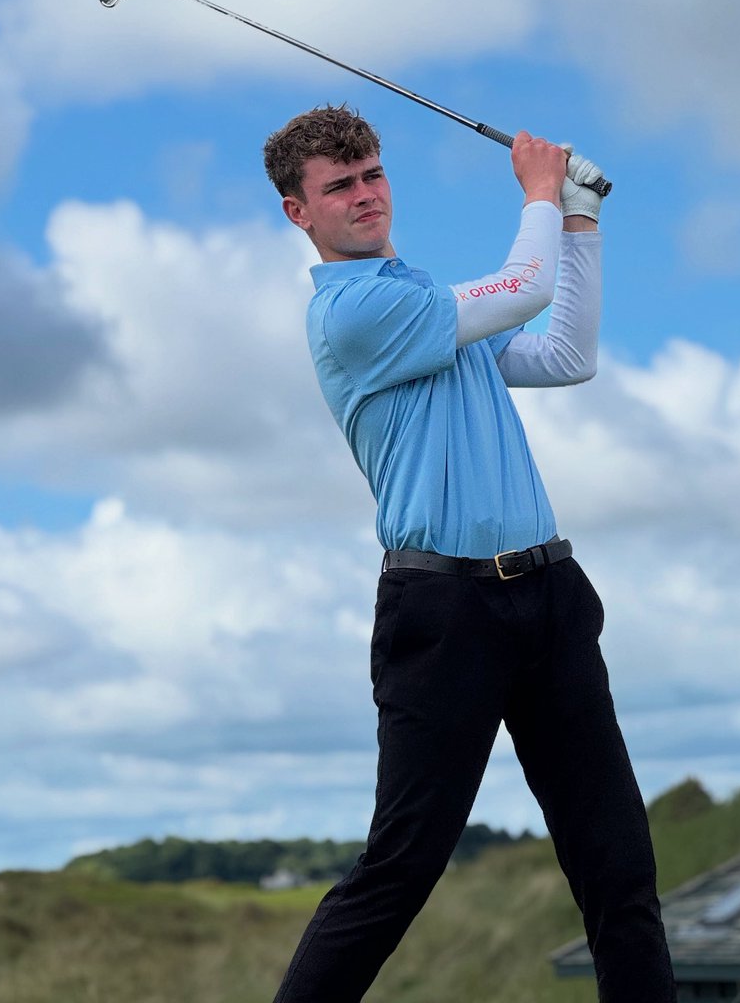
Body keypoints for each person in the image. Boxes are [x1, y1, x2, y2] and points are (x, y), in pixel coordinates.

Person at [262, 104, 676, 1002]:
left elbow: (566, 352)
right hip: (444, 616)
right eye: (340, 186)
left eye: (372, 173)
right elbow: (522, 291)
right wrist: (537, 189)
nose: (366, 195)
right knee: (401, 868)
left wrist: (579, 219)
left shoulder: (428, 306)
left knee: (618, 867)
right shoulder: (357, 313)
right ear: (300, 212)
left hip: (550, 596)